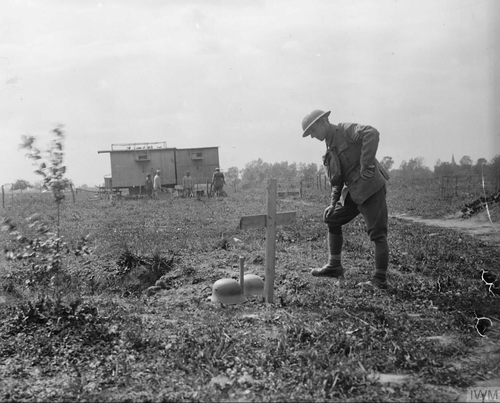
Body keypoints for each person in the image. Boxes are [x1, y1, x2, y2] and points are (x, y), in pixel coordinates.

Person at [301, 109, 390, 289]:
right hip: (353, 192)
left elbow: (371, 133)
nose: (312, 136)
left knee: (377, 233)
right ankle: (334, 266)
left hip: (370, 188)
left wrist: (366, 163)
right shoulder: (329, 147)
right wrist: (333, 203)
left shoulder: (345, 130)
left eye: (313, 130)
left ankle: (379, 280)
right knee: (332, 217)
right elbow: (337, 179)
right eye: (309, 133)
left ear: (324, 121)